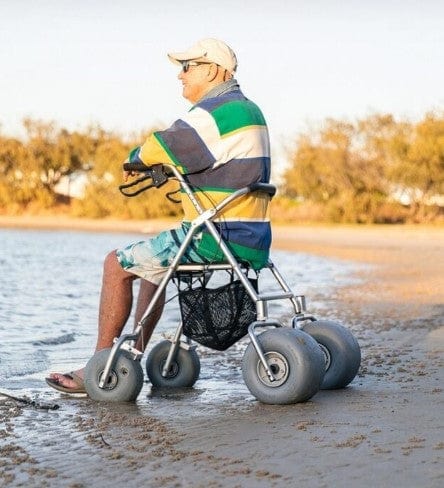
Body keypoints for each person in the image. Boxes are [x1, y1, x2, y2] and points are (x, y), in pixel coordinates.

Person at [46, 38, 272, 394]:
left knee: (115, 265)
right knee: (153, 264)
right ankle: (134, 353)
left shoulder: (215, 112)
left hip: (215, 239)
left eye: (188, 67)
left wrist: (134, 159)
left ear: (212, 70)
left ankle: (98, 367)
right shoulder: (250, 110)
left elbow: (159, 146)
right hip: (250, 238)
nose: (180, 76)